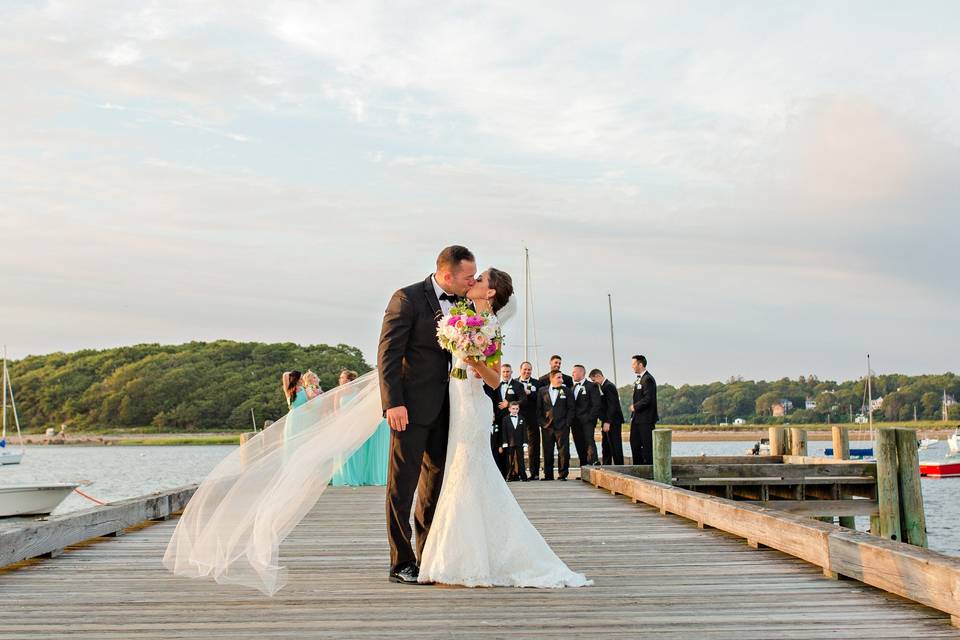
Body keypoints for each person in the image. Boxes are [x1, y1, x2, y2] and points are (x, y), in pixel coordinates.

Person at [417, 265, 589, 587]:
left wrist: (474, 360)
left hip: (472, 404)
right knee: (458, 470)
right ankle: (452, 553)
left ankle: (466, 559)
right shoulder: (462, 318)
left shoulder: (490, 326)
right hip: (455, 400)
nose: (474, 281)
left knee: (468, 471)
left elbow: (495, 380)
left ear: (491, 292)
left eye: (480, 279)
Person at [378, 245, 477, 585]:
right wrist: (393, 403)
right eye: (468, 277)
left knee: (434, 486)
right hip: (409, 408)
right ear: (447, 275)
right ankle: (400, 561)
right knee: (401, 486)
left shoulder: (465, 304)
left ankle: (428, 555)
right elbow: (388, 354)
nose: (472, 281)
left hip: (449, 407)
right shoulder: (406, 299)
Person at [331, 369, 390, 486]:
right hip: (343, 424)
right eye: (340, 378)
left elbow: (362, 408)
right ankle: (345, 478)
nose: (340, 380)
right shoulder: (338, 393)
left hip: (355, 424)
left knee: (356, 451)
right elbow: (336, 410)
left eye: (342, 378)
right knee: (344, 451)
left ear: (348, 380)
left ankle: (356, 477)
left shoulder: (358, 391)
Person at [485, 363, 526, 478]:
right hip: (497, 421)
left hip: (512, 423)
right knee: (498, 447)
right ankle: (501, 473)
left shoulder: (518, 385)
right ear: (501, 373)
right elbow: (490, 399)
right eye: (503, 372)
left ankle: (514, 473)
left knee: (512, 448)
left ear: (512, 372)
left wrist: (510, 404)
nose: (506, 374)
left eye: (508, 371)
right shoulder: (494, 384)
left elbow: (523, 400)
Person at [537, 370, 574, 480]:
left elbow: (571, 408)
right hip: (547, 427)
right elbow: (539, 409)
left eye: (561, 377)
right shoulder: (542, 391)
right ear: (551, 378)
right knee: (547, 451)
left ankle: (563, 474)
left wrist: (567, 423)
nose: (561, 380)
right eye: (558, 377)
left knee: (563, 451)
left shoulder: (567, 391)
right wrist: (542, 423)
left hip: (562, 426)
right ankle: (548, 475)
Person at [590, 368, 625, 465]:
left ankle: (619, 466)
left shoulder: (608, 386)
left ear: (598, 376)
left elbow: (612, 405)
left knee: (615, 445)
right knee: (606, 445)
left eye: (594, 380)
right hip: (606, 420)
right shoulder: (603, 386)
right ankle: (606, 465)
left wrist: (607, 422)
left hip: (613, 421)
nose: (594, 383)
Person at [629, 355, 659, 465]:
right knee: (634, 443)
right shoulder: (639, 379)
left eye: (633, 364)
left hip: (646, 419)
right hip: (637, 419)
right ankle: (638, 467)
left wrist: (635, 406)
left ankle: (648, 468)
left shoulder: (648, 379)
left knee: (647, 445)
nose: (632, 366)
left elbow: (648, 398)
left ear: (640, 364)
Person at [569, 365, 601, 467]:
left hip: (587, 421)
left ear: (581, 373)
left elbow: (596, 404)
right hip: (575, 422)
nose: (572, 374)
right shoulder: (572, 388)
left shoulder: (592, 386)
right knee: (579, 444)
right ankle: (584, 468)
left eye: (574, 372)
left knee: (589, 442)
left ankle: (593, 464)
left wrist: (589, 419)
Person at [515, 361, 541, 479]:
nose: (527, 371)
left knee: (534, 446)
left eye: (529, 370)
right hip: (517, 417)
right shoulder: (514, 382)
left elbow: (540, 399)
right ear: (520, 370)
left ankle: (534, 473)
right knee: (516, 444)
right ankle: (517, 472)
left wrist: (530, 393)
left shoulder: (537, 383)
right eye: (525, 369)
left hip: (533, 418)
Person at [498, 401, 528, 481]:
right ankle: (508, 476)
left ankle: (523, 477)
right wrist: (504, 442)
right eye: (513, 409)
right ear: (509, 409)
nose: (515, 410)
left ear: (519, 409)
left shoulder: (522, 418)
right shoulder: (505, 419)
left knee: (521, 460)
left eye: (517, 409)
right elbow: (504, 431)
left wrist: (525, 443)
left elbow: (524, 431)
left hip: (519, 442)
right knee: (509, 461)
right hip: (509, 443)